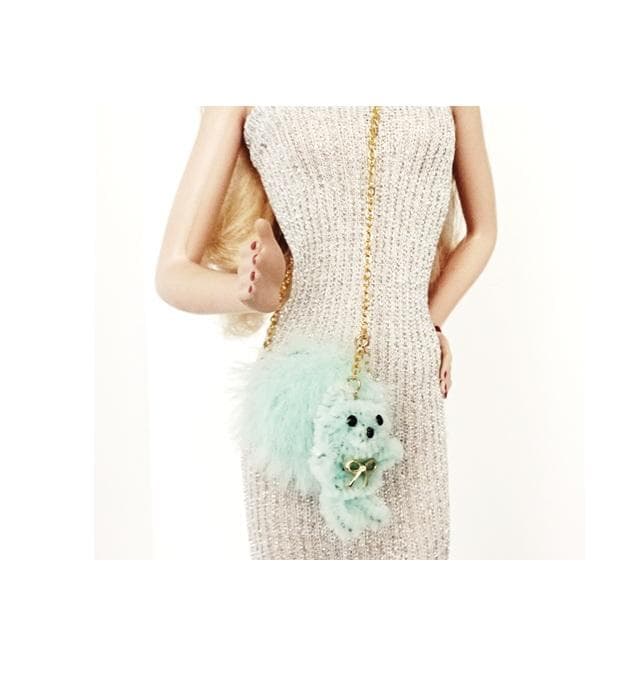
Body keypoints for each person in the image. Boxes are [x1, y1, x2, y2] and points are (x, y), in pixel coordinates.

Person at [155, 106, 497, 559]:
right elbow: (173, 272)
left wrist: (428, 321)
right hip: (298, 404)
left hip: (410, 386)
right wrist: (252, 293)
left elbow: (483, 231)